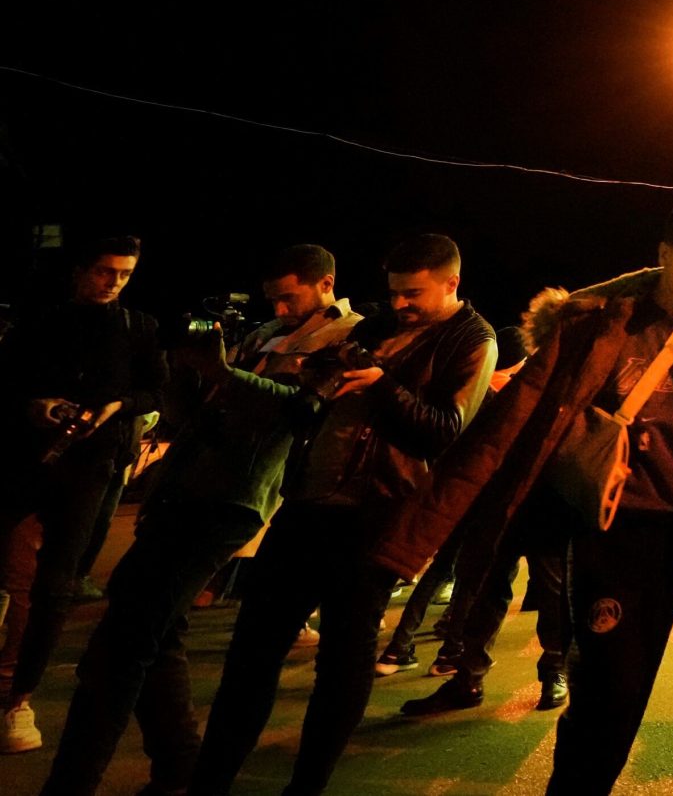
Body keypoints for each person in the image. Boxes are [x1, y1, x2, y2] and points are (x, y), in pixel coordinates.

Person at [370, 194, 673, 796]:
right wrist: (411, 541)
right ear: (664, 252)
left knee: (629, 689)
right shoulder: (602, 316)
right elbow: (515, 421)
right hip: (604, 525)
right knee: (604, 680)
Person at [36, 245, 359, 796]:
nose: (279, 306)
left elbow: (302, 410)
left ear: (325, 283)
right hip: (185, 492)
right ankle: (180, 765)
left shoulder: (348, 337)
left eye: (289, 295)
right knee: (155, 635)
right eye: (273, 297)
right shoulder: (262, 334)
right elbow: (206, 407)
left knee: (120, 649)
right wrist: (191, 373)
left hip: (230, 502)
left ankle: (74, 784)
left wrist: (222, 371)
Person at [192, 234, 497, 796]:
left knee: (342, 663)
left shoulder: (472, 338)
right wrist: (249, 379)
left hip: (375, 515)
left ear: (453, 282)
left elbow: (442, 433)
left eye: (414, 293)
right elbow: (311, 402)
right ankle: (210, 779)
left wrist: (382, 386)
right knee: (250, 653)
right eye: (395, 292)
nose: (400, 304)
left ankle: (306, 785)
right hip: (307, 504)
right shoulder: (376, 325)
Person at [0, 234, 166, 754]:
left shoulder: (139, 327)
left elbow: (157, 391)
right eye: (104, 271)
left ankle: (17, 699)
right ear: (78, 270)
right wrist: (35, 405)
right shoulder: (39, 320)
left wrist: (117, 406)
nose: (113, 282)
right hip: (23, 462)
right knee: (14, 577)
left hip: (92, 470)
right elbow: (5, 381)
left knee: (57, 588)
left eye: (124, 274)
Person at [396, 290, 575, 717]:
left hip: (549, 500)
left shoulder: (574, 380)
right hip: (500, 498)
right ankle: (468, 678)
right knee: (486, 588)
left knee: (552, 592)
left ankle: (554, 672)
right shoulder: (517, 376)